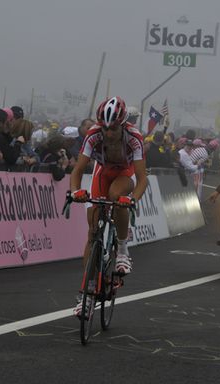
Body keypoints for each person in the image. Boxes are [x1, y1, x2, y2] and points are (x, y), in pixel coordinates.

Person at [69, 96, 148, 316]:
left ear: (123, 125)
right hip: (102, 172)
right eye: (105, 128)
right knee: (92, 229)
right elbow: (77, 171)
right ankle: (87, 291)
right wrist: (76, 192)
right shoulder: (93, 134)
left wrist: (133, 199)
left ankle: (122, 249)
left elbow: (142, 179)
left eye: (113, 129)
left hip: (125, 172)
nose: (109, 133)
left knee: (117, 196)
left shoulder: (134, 137)